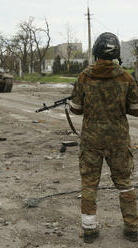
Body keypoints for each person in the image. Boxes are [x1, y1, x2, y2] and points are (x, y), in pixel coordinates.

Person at [69, 32, 138, 243]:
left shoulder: (84, 76)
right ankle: (132, 228)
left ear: (96, 52)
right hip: (118, 140)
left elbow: (76, 109)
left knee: (89, 184)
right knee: (125, 183)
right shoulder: (127, 78)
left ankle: (89, 230)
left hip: (91, 141)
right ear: (116, 52)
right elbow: (135, 110)